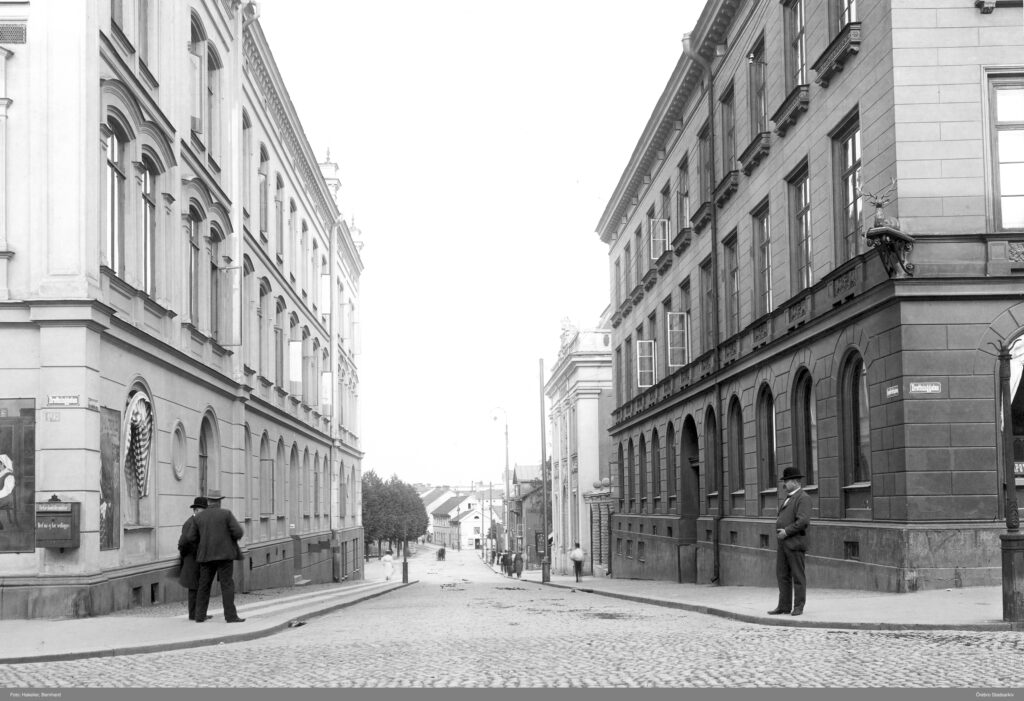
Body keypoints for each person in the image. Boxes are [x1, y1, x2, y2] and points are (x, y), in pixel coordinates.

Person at [188, 489, 245, 623]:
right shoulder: (226, 514)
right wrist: (228, 539)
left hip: (206, 556)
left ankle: (200, 615)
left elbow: (191, 537)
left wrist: (202, 545)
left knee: (204, 586)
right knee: (227, 585)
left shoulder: (199, 517)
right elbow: (238, 532)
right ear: (219, 501)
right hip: (225, 556)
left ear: (208, 501)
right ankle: (230, 616)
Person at [768, 466, 812, 617]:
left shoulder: (803, 497)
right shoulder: (790, 497)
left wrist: (786, 531)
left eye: (786, 481)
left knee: (798, 576)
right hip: (783, 544)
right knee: (782, 575)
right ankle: (784, 606)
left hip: (795, 543)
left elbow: (803, 521)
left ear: (794, 481)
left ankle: (798, 606)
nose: (784, 484)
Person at [177, 496, 207, 620]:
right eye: (202, 510)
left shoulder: (201, 523)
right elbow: (183, 542)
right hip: (192, 558)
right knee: (194, 587)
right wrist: (186, 555)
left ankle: (199, 613)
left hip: (199, 559)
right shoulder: (190, 523)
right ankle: (193, 614)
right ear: (195, 511)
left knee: (200, 587)